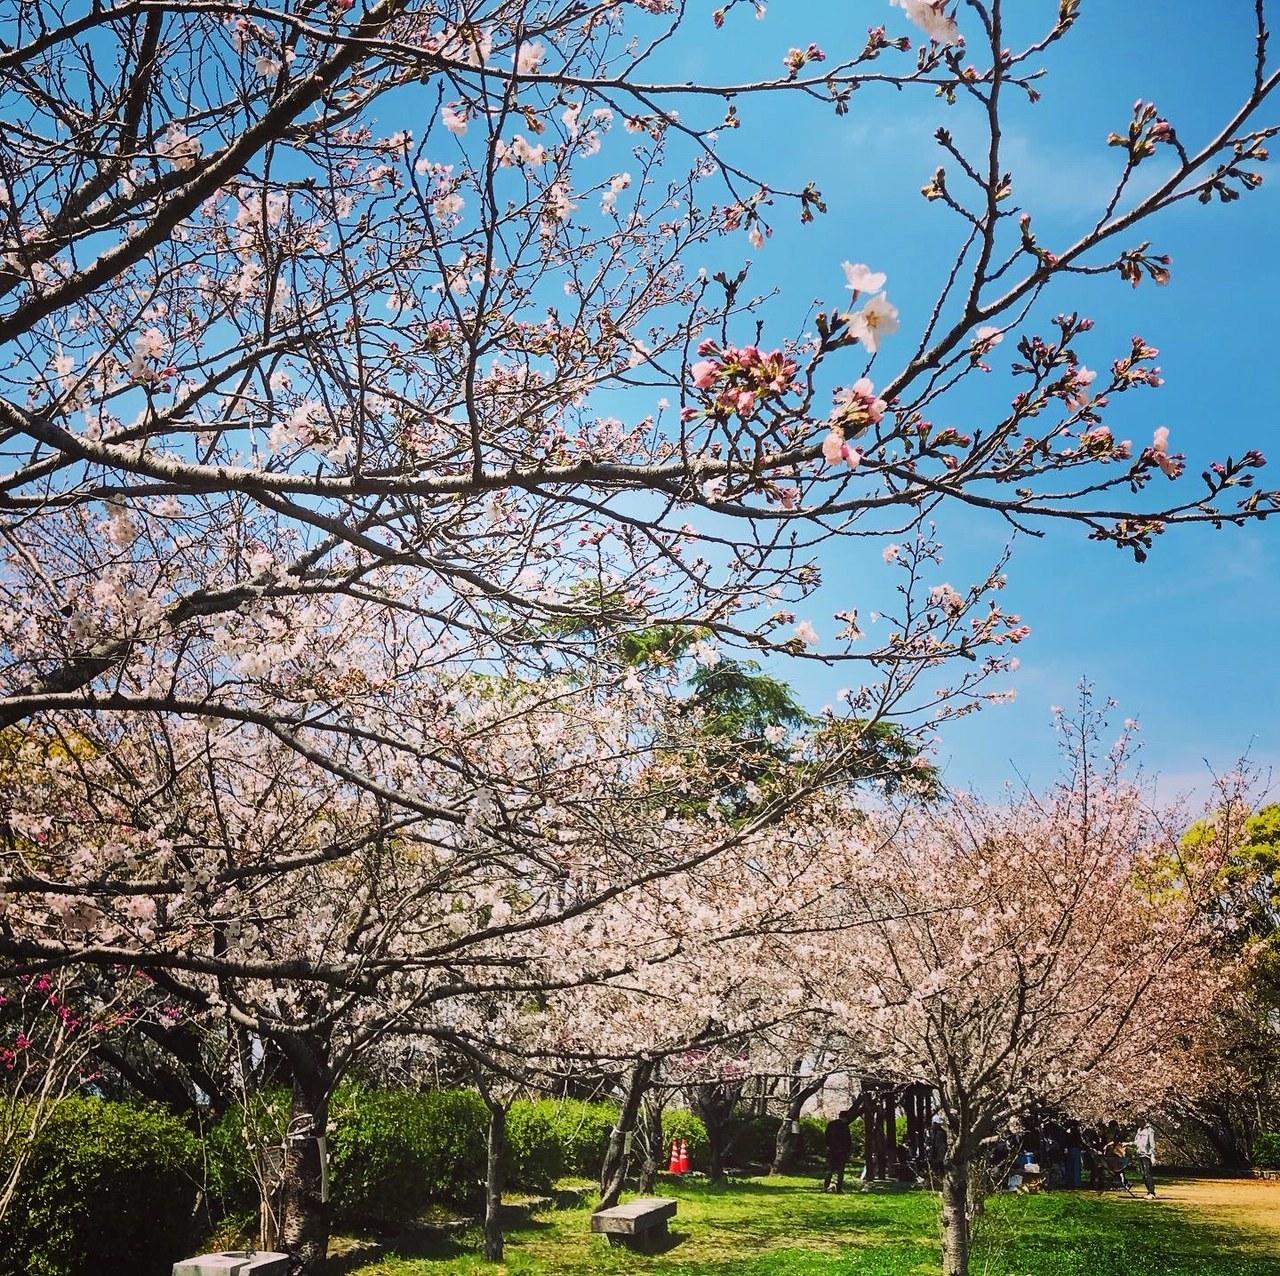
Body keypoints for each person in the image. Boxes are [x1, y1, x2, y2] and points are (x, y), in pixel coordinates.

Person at [823, 1109, 853, 1193]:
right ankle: (838, 1188)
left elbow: (826, 1137)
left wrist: (828, 1146)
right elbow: (847, 1140)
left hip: (832, 1150)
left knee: (829, 1169)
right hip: (841, 1151)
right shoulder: (845, 1126)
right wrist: (848, 1150)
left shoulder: (831, 1124)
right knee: (840, 1170)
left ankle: (826, 1186)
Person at [1134, 1119, 1157, 1199]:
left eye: (1138, 1121)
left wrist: (1152, 1155)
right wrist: (1127, 1144)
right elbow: (1136, 1142)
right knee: (1143, 1174)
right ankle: (1148, 1191)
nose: (1137, 1123)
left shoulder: (1149, 1130)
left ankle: (1152, 1192)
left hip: (1146, 1155)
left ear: (1143, 1121)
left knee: (1148, 1174)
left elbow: (1152, 1144)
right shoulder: (1139, 1130)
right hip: (1139, 1154)